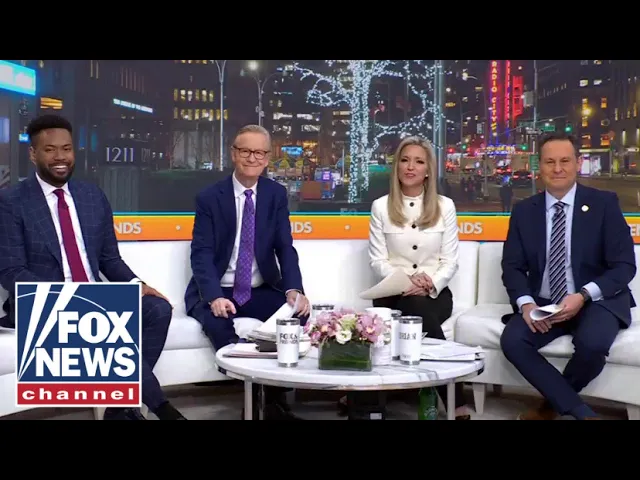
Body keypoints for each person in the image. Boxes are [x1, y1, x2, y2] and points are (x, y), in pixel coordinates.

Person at [0, 114, 185, 421]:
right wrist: (65, 296)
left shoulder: (92, 196)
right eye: (50, 150)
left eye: (66, 148)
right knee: (96, 316)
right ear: (33, 154)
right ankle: (162, 409)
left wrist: (137, 285)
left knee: (157, 309)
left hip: (94, 298)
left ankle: (118, 408)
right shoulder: (12, 201)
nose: (60, 157)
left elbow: (110, 260)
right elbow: (11, 270)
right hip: (42, 301)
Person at [500, 132, 636, 420]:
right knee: (513, 341)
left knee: (593, 345)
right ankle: (582, 412)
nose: (557, 169)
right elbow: (512, 266)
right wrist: (526, 303)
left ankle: (550, 407)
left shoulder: (604, 204)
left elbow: (624, 265)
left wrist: (583, 295)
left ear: (577, 163)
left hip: (596, 300)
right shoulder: (524, 211)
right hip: (545, 303)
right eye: (550, 162)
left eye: (565, 161)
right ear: (539, 166)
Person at [185, 124, 310, 420]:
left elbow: (285, 247)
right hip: (219, 289)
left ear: (267, 158)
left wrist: (294, 289)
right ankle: (255, 402)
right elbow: (201, 253)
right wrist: (214, 296)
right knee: (219, 325)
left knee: (297, 316)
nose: (252, 158)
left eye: (259, 153)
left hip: (259, 289)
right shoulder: (210, 197)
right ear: (233, 154)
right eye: (245, 151)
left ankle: (273, 402)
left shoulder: (275, 195)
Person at [366, 135, 471, 420]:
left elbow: (450, 261)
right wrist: (406, 281)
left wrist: (430, 283)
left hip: (435, 294)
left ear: (428, 170)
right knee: (411, 307)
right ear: (397, 166)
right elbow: (377, 261)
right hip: (391, 294)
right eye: (404, 160)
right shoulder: (380, 207)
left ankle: (371, 397)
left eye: (418, 161)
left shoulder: (445, 206)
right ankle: (455, 396)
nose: (410, 167)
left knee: (417, 307)